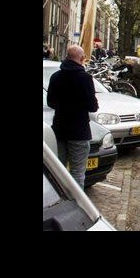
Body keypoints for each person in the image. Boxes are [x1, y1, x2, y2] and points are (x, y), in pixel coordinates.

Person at [46, 45, 99, 189]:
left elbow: (50, 102)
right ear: (82, 59)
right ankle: (76, 204)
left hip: (59, 129)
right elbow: (93, 106)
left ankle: (58, 199)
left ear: (67, 57)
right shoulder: (85, 78)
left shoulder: (55, 77)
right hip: (79, 132)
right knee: (77, 172)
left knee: (59, 170)